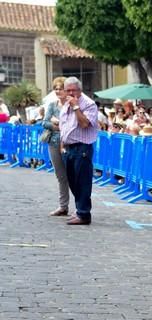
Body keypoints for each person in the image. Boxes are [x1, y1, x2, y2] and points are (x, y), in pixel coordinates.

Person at [59, 77, 99, 225]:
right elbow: (65, 126)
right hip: (68, 148)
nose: (70, 93)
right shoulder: (66, 104)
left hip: (82, 148)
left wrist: (76, 107)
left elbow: (84, 124)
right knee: (73, 182)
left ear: (80, 90)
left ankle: (84, 214)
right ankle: (79, 210)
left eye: (73, 90)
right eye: (67, 90)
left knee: (82, 182)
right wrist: (62, 146)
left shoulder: (88, 104)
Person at [42, 76, 70, 217]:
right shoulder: (52, 105)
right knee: (60, 176)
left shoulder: (71, 104)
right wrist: (58, 125)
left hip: (70, 144)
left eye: (61, 88)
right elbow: (44, 123)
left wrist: (59, 123)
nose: (58, 91)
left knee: (74, 176)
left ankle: (80, 208)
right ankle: (63, 206)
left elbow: (72, 124)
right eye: (56, 88)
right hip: (53, 143)